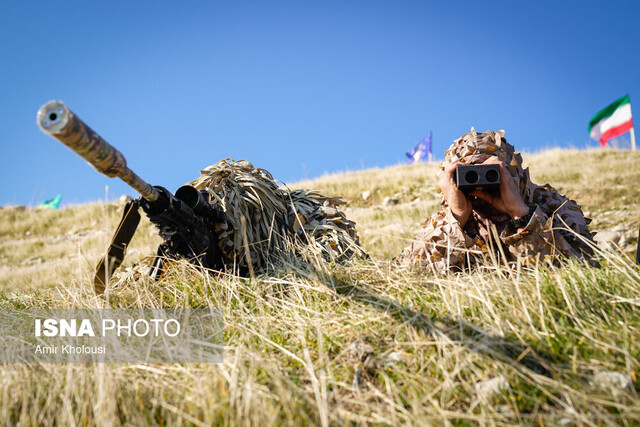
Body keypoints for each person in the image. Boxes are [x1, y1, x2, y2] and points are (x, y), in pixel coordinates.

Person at [397, 128, 596, 271]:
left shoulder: (556, 209)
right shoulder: (442, 226)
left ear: (516, 178)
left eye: (492, 176)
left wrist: (520, 215)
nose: (481, 192)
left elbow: (583, 273)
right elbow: (408, 275)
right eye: (467, 179)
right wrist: (456, 220)